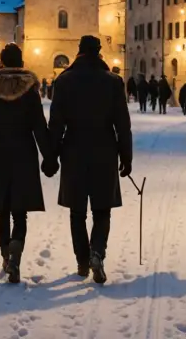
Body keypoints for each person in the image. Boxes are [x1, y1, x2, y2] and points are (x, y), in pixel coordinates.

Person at [48, 35, 132, 285]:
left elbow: (56, 124)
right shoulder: (113, 81)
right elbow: (122, 124)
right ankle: (97, 252)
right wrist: (126, 156)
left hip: (73, 150)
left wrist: (51, 156)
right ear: (99, 52)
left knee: (77, 212)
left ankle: (83, 261)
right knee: (102, 210)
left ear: (79, 51)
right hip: (104, 150)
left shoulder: (64, 81)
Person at [0, 43, 55, 284]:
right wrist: (49, 156)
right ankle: (15, 257)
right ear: (21, 62)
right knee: (20, 213)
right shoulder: (29, 91)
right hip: (24, 153)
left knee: (2, 210)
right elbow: (39, 126)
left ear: (1, 62)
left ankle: (5, 255)